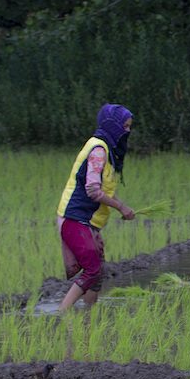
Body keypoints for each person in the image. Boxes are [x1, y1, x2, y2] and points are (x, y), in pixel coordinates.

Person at [56, 103, 137, 312]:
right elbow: (93, 190)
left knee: (99, 272)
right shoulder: (99, 150)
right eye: (125, 127)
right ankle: (62, 314)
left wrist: (122, 206)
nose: (127, 132)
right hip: (76, 218)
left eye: (129, 127)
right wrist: (120, 207)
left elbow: (105, 189)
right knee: (92, 269)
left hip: (87, 221)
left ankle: (89, 317)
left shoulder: (106, 150)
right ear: (113, 126)